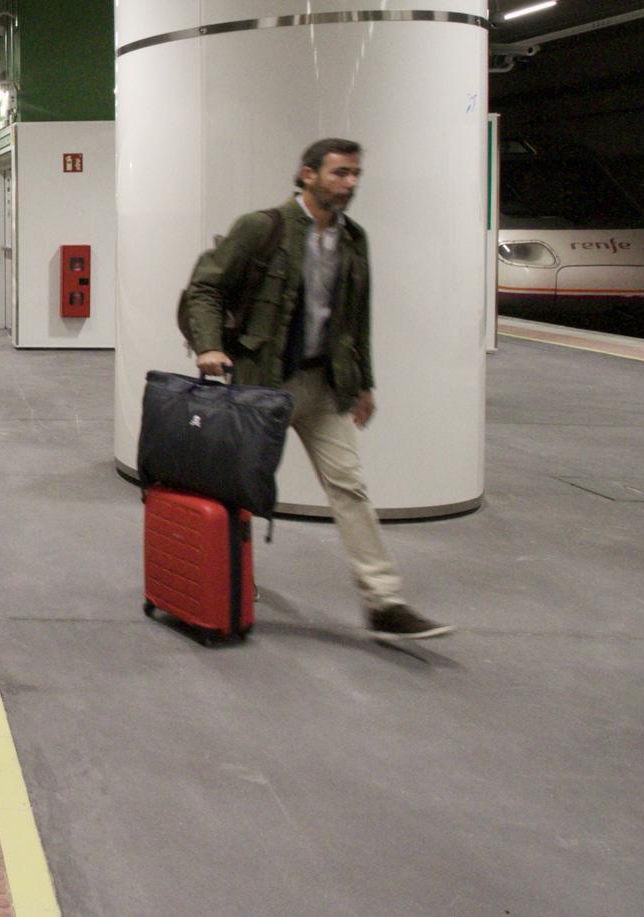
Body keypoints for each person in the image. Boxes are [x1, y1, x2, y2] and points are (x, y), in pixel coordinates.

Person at [183, 137, 451, 642]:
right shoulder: (264, 227)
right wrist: (209, 346)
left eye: (355, 175)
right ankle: (229, 582)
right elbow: (206, 286)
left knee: (349, 485)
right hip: (265, 383)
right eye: (339, 174)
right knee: (240, 487)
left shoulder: (355, 240)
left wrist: (363, 382)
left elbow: (355, 318)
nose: (349, 184)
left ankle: (384, 601)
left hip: (325, 386)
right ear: (307, 174)